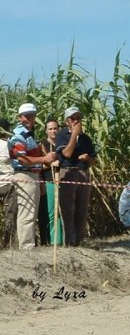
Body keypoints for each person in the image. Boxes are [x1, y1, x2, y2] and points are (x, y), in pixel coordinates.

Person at [7, 103, 57, 250]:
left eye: (32, 115)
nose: (30, 118)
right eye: (26, 115)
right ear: (19, 117)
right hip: (24, 174)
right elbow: (21, 158)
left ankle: (28, 244)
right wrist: (44, 160)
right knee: (27, 212)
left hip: (32, 174)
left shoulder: (29, 133)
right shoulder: (19, 134)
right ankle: (26, 246)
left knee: (31, 211)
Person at [55, 106, 96, 247]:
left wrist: (87, 158)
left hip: (83, 173)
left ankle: (78, 242)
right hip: (67, 172)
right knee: (67, 209)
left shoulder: (86, 139)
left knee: (82, 209)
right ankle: (68, 242)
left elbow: (93, 160)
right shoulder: (61, 135)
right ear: (67, 121)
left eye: (78, 118)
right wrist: (74, 135)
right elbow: (66, 153)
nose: (76, 121)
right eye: (73, 118)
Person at [39, 118, 63, 246]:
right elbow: (39, 167)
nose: (53, 131)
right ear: (46, 131)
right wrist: (50, 165)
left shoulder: (62, 145)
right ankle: (53, 241)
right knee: (52, 212)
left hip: (63, 181)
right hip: (49, 181)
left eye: (55, 128)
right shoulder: (42, 145)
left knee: (62, 212)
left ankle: (62, 240)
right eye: (50, 129)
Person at [0, 118, 18, 248]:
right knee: (9, 214)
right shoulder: (8, 144)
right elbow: (19, 159)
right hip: (8, 184)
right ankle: (7, 244)